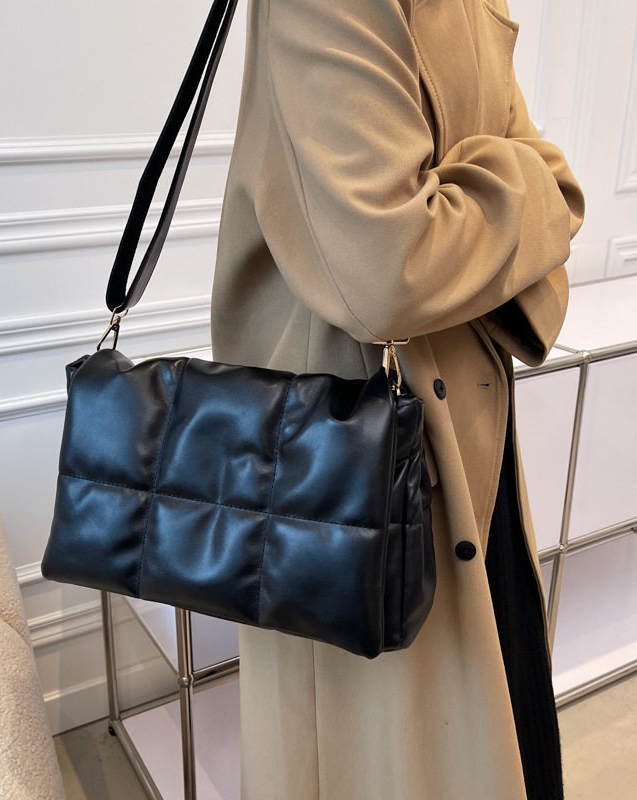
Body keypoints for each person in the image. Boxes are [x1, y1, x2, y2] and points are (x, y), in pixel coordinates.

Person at [211, 0, 585, 798]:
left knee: (492, 734)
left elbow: (564, 196)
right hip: (345, 464)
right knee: (383, 756)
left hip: (470, 441)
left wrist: (479, 204)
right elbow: (390, 267)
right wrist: (517, 188)